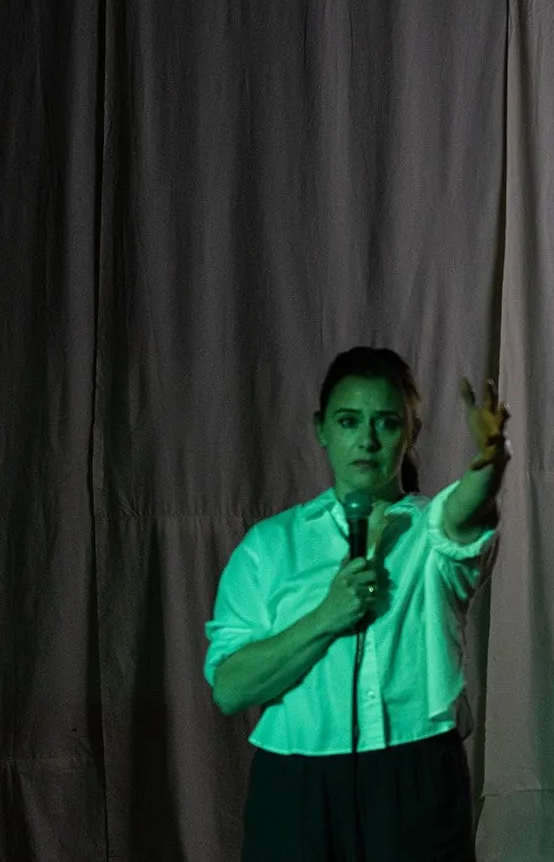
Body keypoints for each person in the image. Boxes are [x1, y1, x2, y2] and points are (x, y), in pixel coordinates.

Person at [205, 346, 510, 861]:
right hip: (297, 785)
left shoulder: (429, 533)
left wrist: (490, 464)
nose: (366, 440)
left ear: (411, 434)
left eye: (386, 423)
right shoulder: (269, 546)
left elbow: (464, 511)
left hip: (414, 777)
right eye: (349, 421)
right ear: (322, 429)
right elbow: (231, 690)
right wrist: (325, 619)